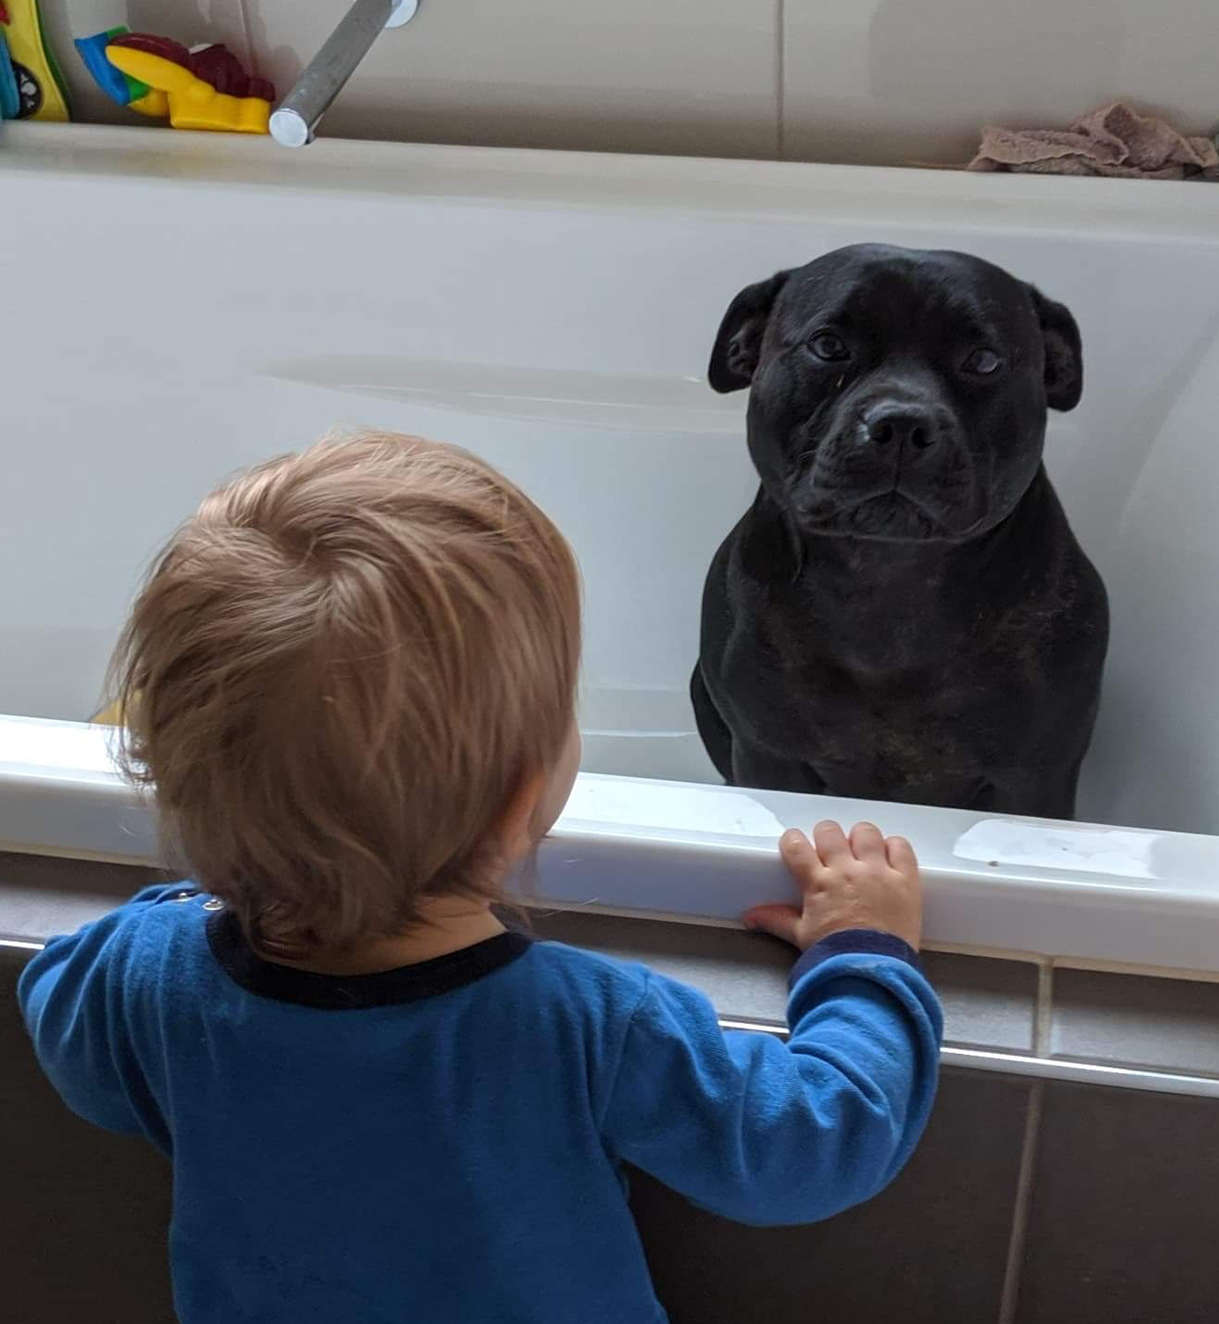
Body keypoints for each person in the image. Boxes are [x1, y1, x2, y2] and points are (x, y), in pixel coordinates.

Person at [18, 430, 942, 1324]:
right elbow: (814, 1143)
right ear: (517, 809)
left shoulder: (147, 974)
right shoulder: (587, 1023)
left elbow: (62, 1019)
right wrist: (864, 953)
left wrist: (196, 893)